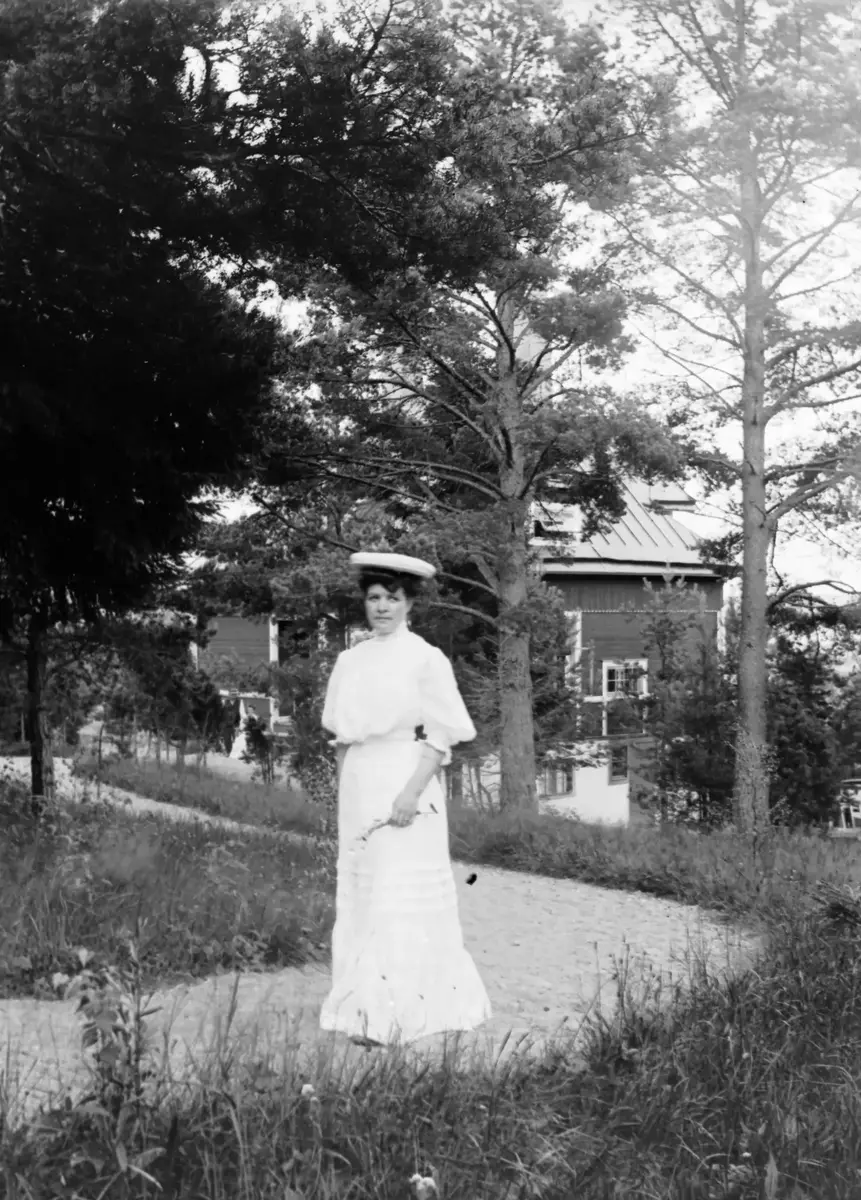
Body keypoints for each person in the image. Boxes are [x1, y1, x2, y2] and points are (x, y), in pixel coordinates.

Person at [319, 550, 492, 1047]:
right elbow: (342, 736)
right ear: (364, 602)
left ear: (409, 603)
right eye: (374, 598)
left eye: (392, 598)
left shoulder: (424, 658)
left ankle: (399, 1015)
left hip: (405, 777)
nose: (382, 607)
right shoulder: (350, 660)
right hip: (360, 781)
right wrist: (345, 791)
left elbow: (442, 734)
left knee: (399, 894)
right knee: (364, 893)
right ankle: (363, 1009)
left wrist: (411, 794)